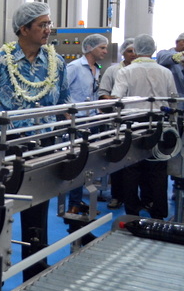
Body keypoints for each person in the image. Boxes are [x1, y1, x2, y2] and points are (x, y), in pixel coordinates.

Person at [0, 1, 69, 282]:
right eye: (42, 25)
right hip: (8, 147)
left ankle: (35, 274)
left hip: (44, 146)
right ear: (22, 29)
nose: (48, 30)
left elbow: (63, 105)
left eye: (49, 24)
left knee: (38, 210)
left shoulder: (57, 63)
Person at [112, 34, 177, 220]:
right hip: (159, 122)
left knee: (131, 167)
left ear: (137, 50)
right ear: (153, 49)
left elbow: (117, 98)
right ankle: (158, 213)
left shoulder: (126, 71)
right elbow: (172, 100)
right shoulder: (165, 72)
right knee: (157, 168)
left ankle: (132, 211)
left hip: (132, 123)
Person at [64, 33, 109, 213]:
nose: (105, 51)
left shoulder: (96, 68)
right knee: (78, 160)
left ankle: (81, 200)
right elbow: (62, 90)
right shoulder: (74, 67)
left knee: (89, 162)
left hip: (92, 118)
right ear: (90, 48)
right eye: (102, 48)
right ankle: (73, 203)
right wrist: (67, 114)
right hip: (79, 119)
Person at [97, 38, 136, 209]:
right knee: (118, 160)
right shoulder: (112, 71)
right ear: (122, 52)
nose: (133, 55)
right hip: (118, 121)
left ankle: (135, 198)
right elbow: (103, 93)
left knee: (137, 161)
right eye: (129, 51)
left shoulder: (140, 71)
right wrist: (116, 102)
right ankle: (117, 196)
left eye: (136, 51)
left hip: (138, 120)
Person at [156, 32, 184, 109]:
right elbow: (163, 59)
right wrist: (180, 57)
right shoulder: (165, 53)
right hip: (172, 101)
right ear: (177, 42)